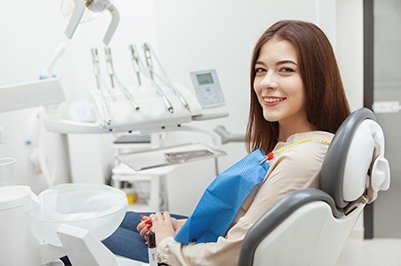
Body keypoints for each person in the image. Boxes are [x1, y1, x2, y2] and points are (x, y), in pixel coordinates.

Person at [102, 20, 351, 265]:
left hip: (215, 257)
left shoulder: (300, 160)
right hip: (221, 239)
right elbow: (246, 221)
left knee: (91, 232)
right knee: (122, 218)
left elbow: (232, 255)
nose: (266, 83)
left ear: (317, 78)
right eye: (260, 70)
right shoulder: (302, 144)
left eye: (286, 69)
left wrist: (167, 243)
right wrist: (183, 229)